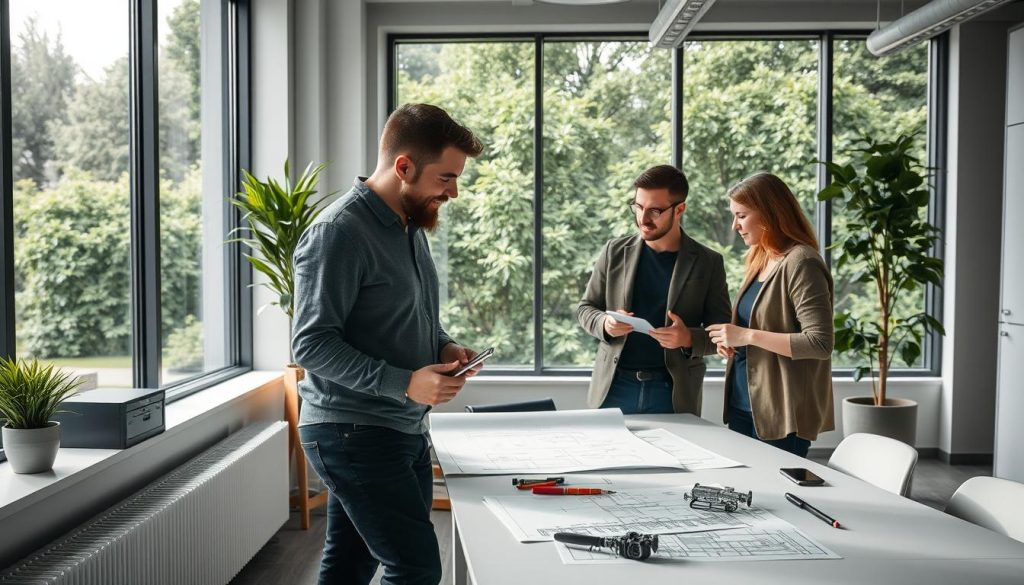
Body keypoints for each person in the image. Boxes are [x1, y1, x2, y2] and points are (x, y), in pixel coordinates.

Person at [291, 103, 485, 585]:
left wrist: (444, 347)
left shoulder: (409, 227)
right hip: (352, 433)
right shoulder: (338, 233)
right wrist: (405, 383)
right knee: (415, 568)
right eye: (445, 177)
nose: (453, 191)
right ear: (404, 167)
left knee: (350, 564)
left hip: (398, 428)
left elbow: (409, 317)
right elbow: (310, 344)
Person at [576, 165, 732, 415]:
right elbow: (585, 309)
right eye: (638, 207)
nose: (643, 218)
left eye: (655, 210)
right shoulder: (613, 251)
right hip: (613, 385)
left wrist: (688, 338)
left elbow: (723, 331)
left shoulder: (708, 262)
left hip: (673, 390)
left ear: (679, 209)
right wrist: (605, 323)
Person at [705, 172, 834, 457]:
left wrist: (747, 335)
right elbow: (757, 325)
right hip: (744, 402)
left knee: (775, 494)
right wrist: (732, 340)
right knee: (746, 493)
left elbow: (820, 343)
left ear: (769, 212)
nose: (734, 225)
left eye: (741, 215)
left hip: (781, 412)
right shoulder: (761, 258)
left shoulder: (801, 262)